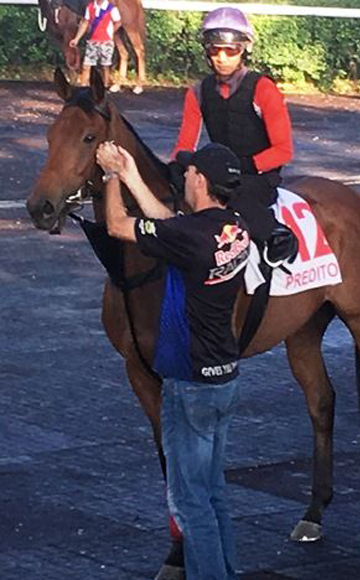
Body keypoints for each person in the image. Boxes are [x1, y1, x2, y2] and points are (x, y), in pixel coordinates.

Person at [96, 141, 250, 580]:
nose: (182, 176)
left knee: (188, 500)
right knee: (214, 491)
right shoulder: (232, 230)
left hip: (190, 383)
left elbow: (117, 225)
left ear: (200, 180)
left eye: (188, 172)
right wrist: (132, 176)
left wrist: (109, 176)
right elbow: (171, 225)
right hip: (225, 380)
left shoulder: (190, 237)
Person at [171, 6, 298, 267]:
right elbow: (184, 144)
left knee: (230, 196)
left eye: (230, 51)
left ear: (243, 50)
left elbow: (283, 150)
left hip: (258, 176)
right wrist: (179, 163)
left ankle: (277, 235)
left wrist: (241, 166)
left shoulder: (264, 89)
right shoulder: (197, 93)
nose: (221, 57)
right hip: (218, 173)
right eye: (214, 50)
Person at [69, 0, 121, 89]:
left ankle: (105, 87)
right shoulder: (90, 7)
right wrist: (77, 38)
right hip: (93, 41)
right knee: (86, 65)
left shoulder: (111, 8)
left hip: (106, 42)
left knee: (105, 66)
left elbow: (118, 22)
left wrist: (110, 33)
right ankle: (83, 87)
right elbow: (85, 22)